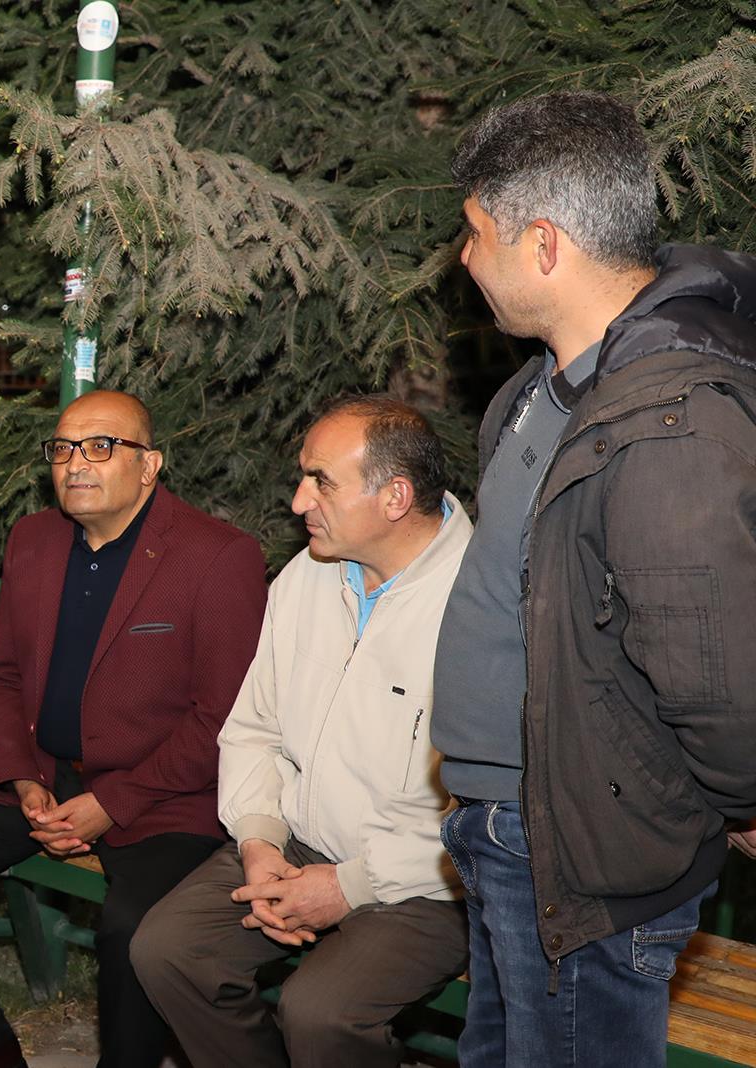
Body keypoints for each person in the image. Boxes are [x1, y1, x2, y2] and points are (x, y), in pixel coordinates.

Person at [434, 90, 756, 1065]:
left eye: (474, 232)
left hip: (583, 848)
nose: (461, 257)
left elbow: (710, 659)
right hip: (508, 828)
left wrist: (743, 794)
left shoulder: (669, 419)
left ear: (542, 244)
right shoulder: (541, 391)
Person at [0, 390, 267, 1068]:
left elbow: (222, 717)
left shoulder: (216, 555)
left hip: (166, 795)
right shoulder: (34, 539)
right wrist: (21, 775)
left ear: (149, 465)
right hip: (45, 772)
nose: (75, 463)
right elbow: (3, 674)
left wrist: (111, 803)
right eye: (62, 449)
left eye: (99, 447)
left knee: (131, 930)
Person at [131, 396, 471, 1068]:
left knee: (320, 1013)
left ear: (395, 497)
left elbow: (493, 810)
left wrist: (349, 886)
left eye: (321, 481)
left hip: (432, 883)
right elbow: (253, 727)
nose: (297, 502)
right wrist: (259, 840)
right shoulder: (307, 577)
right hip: (298, 841)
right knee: (168, 950)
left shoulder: (482, 603)